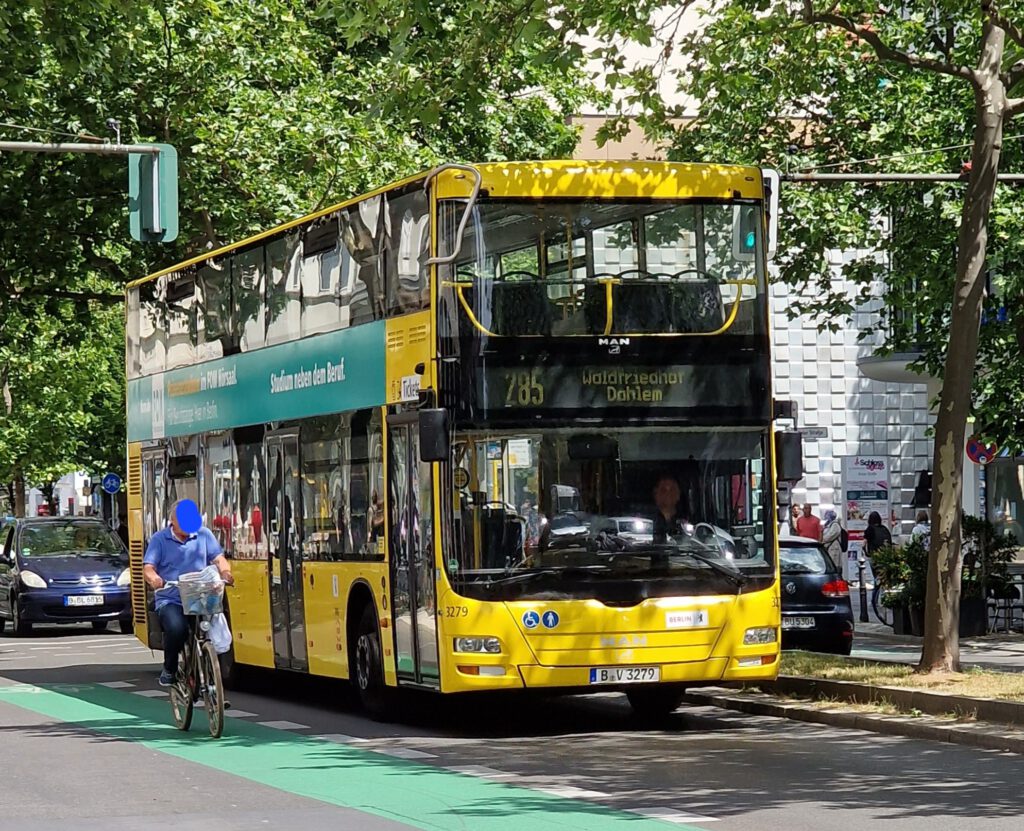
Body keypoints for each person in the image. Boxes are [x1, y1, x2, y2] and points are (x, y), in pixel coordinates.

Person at [143, 500, 234, 687]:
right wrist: (154, 580)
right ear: (172, 521)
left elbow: (219, 559)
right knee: (177, 629)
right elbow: (148, 568)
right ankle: (170, 668)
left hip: (199, 595)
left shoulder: (204, 534)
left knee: (211, 628)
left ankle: (208, 675)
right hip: (171, 597)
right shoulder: (159, 539)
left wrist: (226, 573)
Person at [651, 474, 688, 543]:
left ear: (678, 494)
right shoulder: (646, 521)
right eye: (663, 490)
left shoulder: (687, 521)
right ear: (655, 494)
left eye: (672, 489)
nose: (668, 494)